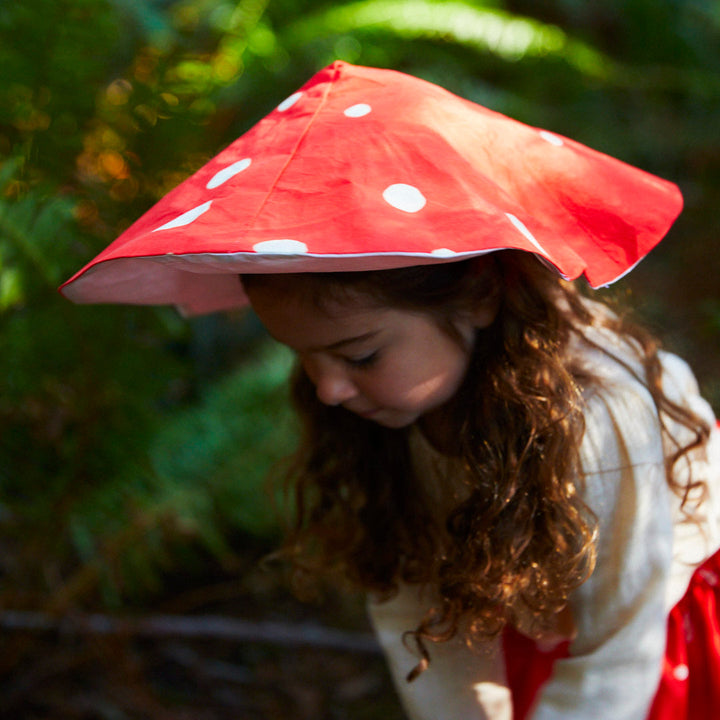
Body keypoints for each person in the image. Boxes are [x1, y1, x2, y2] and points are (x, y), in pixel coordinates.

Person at [60, 62, 720, 719]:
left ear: (482, 296)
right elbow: (417, 597)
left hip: (656, 629)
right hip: (534, 614)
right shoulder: (390, 415)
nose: (328, 392)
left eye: (360, 355)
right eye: (304, 359)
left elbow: (621, 638)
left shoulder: (597, 411)